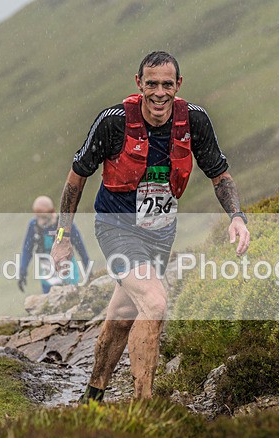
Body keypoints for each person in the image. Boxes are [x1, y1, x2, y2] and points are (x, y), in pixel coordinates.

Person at [51, 51, 250, 401]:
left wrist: (237, 217)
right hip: (116, 228)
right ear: (139, 84)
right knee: (155, 303)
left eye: (167, 84)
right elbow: (75, 180)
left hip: (160, 232)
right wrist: (63, 237)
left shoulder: (194, 122)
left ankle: (93, 395)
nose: (159, 93)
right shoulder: (113, 122)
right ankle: (143, 408)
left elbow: (221, 177)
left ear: (178, 85)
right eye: (152, 84)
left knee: (125, 312)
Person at [18, 195, 90, 294]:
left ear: (52, 211)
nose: (40, 221)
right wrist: (22, 271)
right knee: (50, 301)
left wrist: (87, 265)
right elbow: (27, 249)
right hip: (47, 271)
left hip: (66, 267)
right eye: (37, 217)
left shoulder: (64, 223)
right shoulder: (33, 225)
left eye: (43, 217)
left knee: (70, 296)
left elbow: (79, 246)